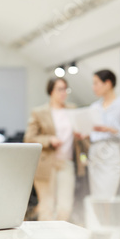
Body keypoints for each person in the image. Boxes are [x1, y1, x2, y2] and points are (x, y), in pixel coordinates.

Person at [24, 78, 85, 221]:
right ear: (51, 91)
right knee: (47, 208)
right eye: (60, 89)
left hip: (66, 163)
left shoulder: (73, 110)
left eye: (65, 89)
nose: (63, 93)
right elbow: (29, 138)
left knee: (65, 208)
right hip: (47, 164)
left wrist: (80, 136)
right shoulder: (39, 112)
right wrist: (49, 140)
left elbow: (81, 135)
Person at [87, 69, 120, 198]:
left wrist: (111, 130)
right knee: (96, 195)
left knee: (108, 194)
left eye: (96, 83)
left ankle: (107, 219)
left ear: (108, 84)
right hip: (94, 151)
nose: (93, 88)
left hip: (111, 150)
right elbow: (91, 131)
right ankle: (96, 219)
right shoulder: (94, 107)